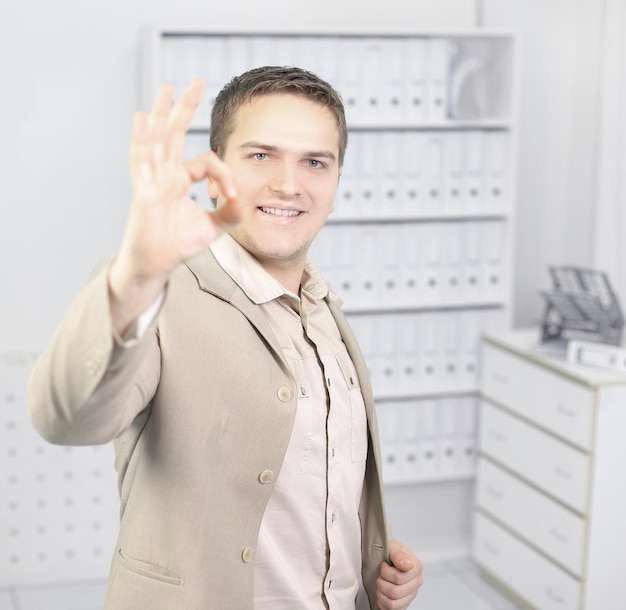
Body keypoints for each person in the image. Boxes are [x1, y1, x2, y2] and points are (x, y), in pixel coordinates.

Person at [28, 66, 423, 609]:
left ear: (335, 181)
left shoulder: (325, 310)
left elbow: (310, 490)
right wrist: (135, 277)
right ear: (217, 173)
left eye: (314, 161)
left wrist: (366, 569)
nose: (289, 183)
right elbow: (69, 418)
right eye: (261, 155)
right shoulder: (158, 291)